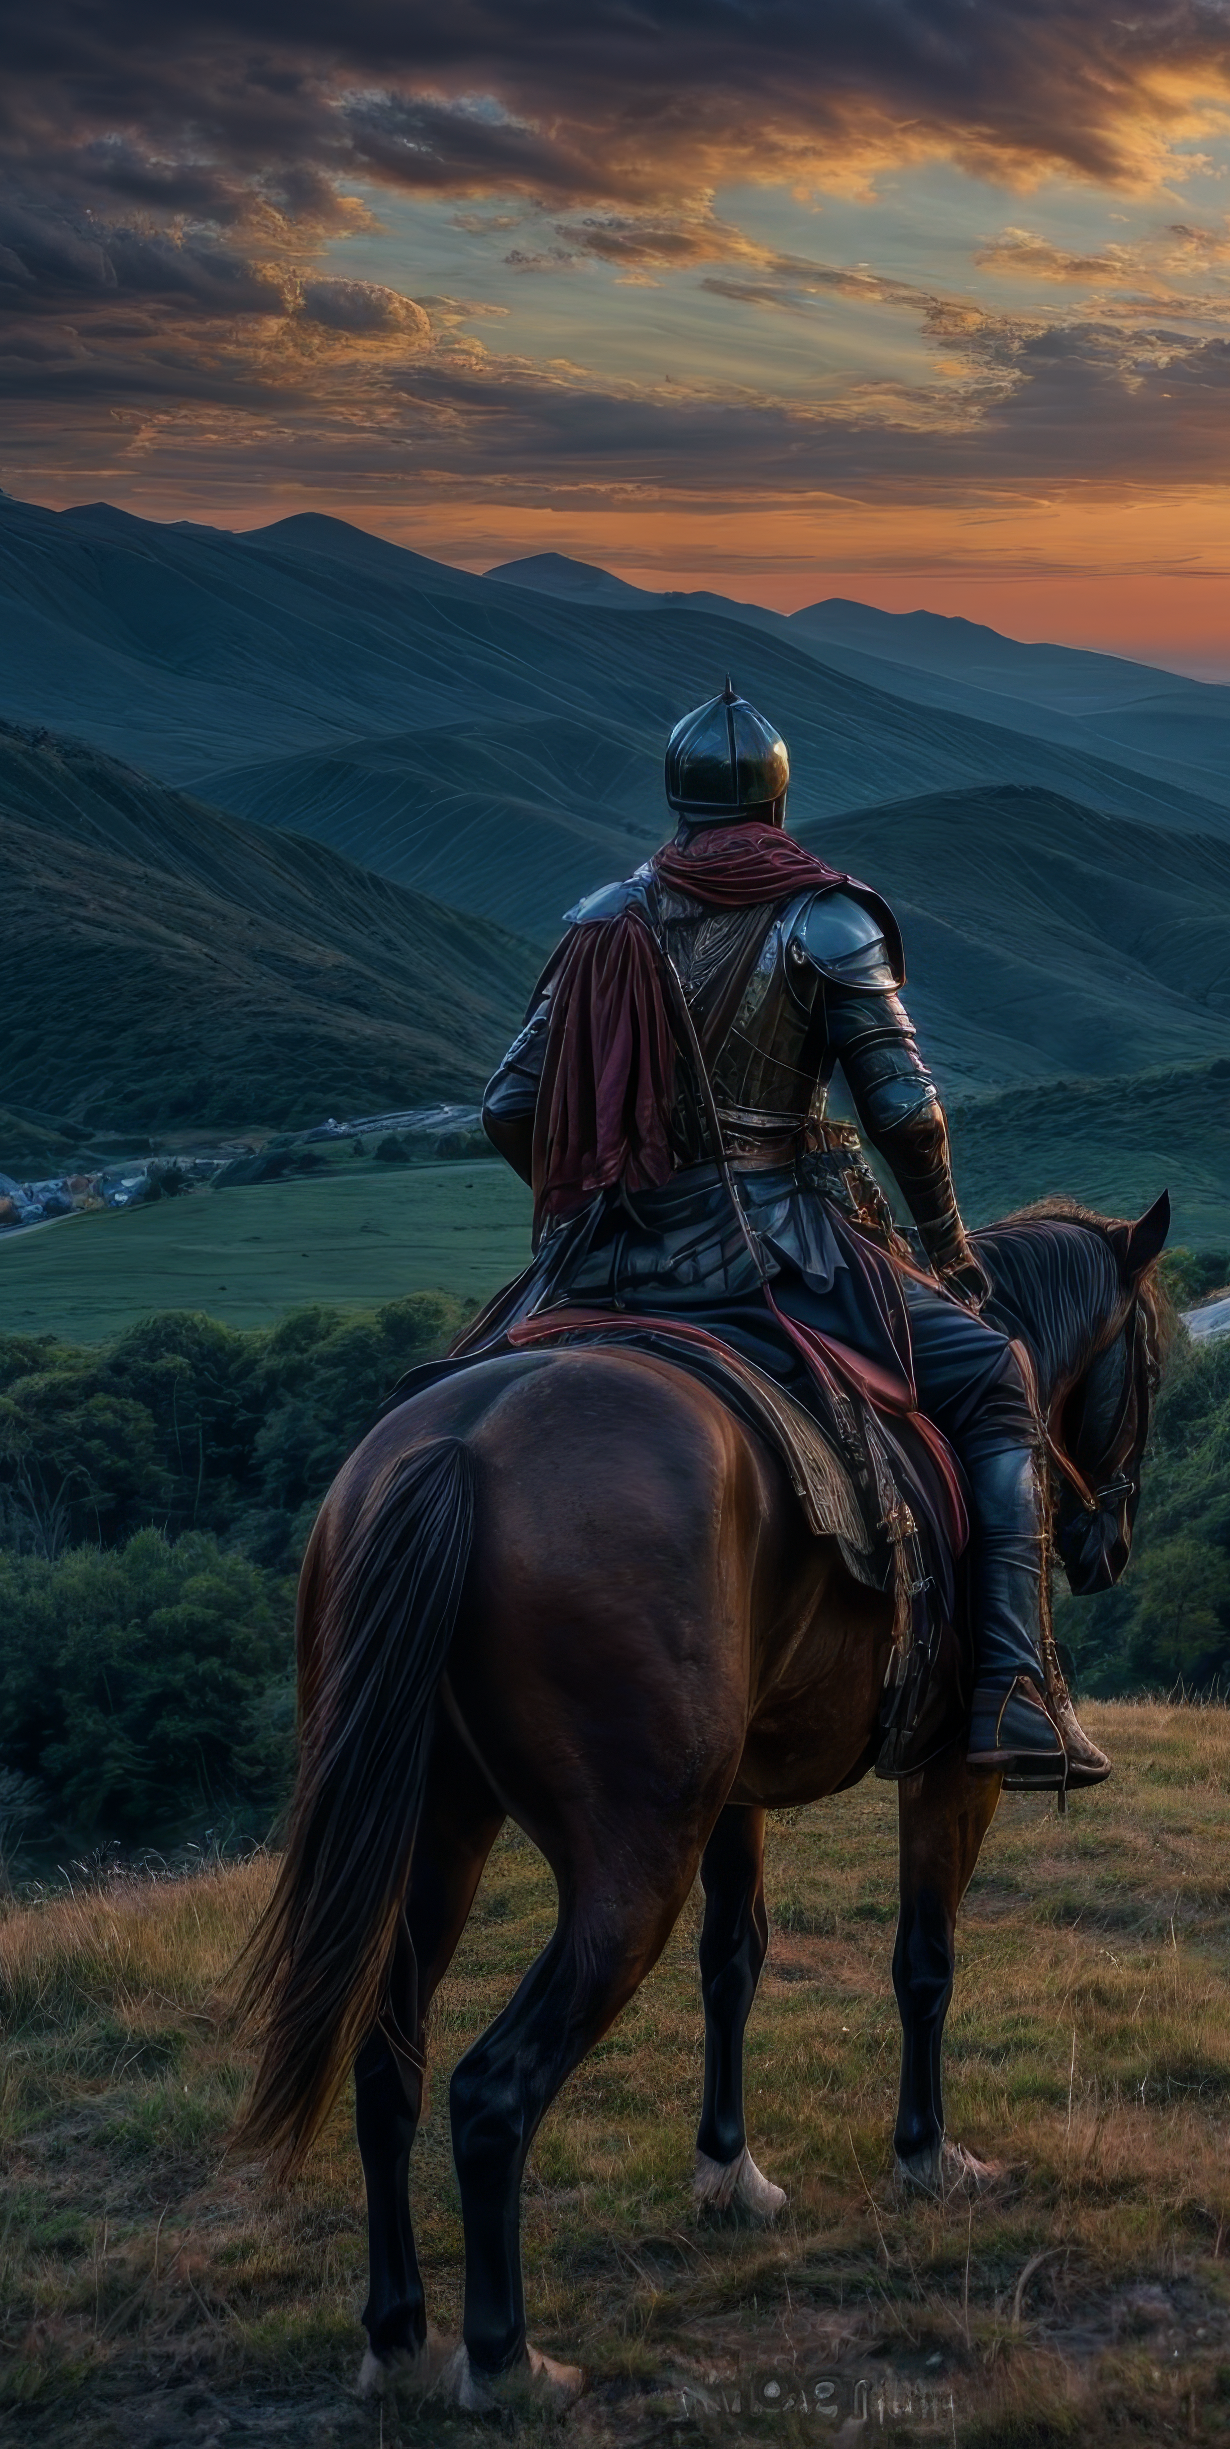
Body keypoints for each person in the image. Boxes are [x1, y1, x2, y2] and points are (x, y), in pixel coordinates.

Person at [478, 686, 1104, 1789]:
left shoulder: (599, 922)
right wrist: (947, 1246)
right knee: (998, 1378)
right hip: (780, 1246)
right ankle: (1014, 1689)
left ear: (675, 798)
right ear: (776, 796)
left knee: (467, 1384)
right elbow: (907, 1111)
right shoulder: (828, 919)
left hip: (606, 1252)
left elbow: (507, 1107)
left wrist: (605, 1190)